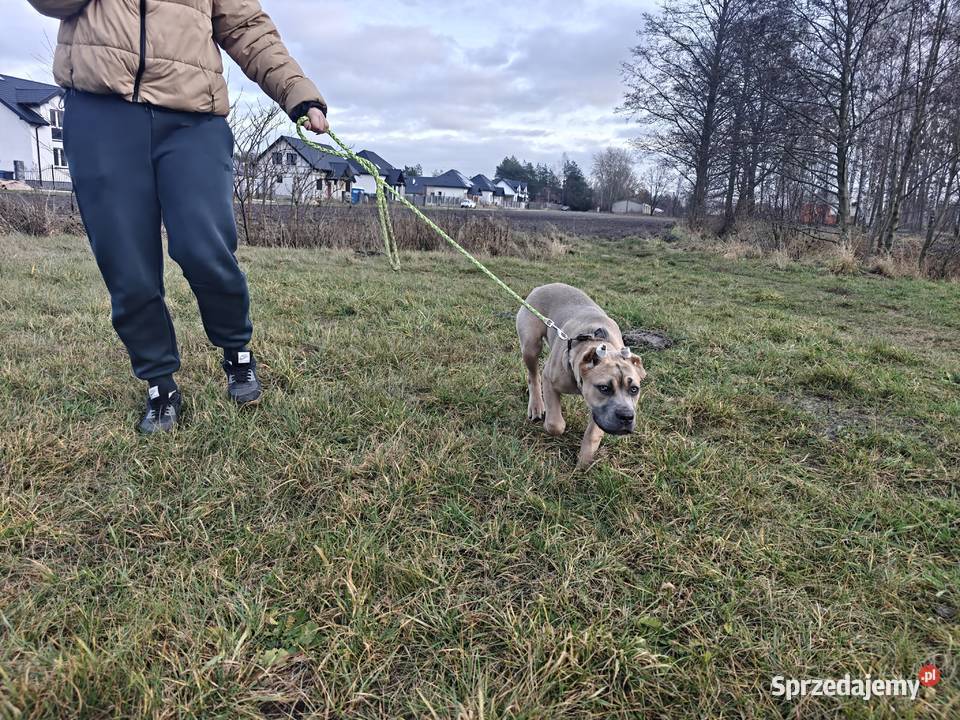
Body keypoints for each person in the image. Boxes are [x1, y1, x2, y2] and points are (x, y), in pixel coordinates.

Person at [26, 0, 329, 433]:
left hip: (193, 118)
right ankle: (159, 383)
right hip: (100, 113)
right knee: (126, 264)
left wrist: (296, 91)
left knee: (204, 247)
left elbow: (247, 26)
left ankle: (237, 352)